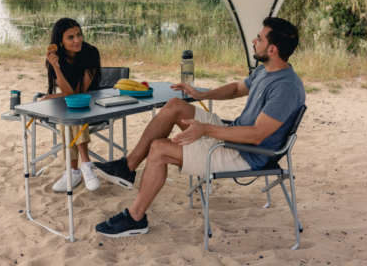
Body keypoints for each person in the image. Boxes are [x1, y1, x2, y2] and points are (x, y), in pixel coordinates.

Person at [93, 17, 305, 237]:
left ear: (272, 49)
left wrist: (206, 129)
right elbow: (236, 89)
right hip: (233, 133)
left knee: (159, 149)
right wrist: (202, 94)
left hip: (245, 153)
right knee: (175, 105)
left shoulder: (285, 88)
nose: (253, 40)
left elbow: (256, 135)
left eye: (259, 38)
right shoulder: (266, 70)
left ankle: (135, 218)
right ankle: (128, 167)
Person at [42, 17, 102, 192]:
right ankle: (82, 168)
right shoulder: (54, 59)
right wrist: (57, 68)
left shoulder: (91, 52)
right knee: (68, 113)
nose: (77, 40)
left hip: (91, 103)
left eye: (79, 35)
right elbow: (70, 94)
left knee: (72, 111)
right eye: (70, 37)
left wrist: (57, 97)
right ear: (59, 41)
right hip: (71, 105)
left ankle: (77, 169)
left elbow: (80, 92)